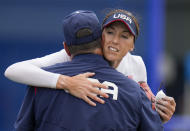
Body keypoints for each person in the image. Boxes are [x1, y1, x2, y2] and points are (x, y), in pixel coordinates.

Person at [4, 9, 175, 122]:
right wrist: (66, 82)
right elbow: (13, 71)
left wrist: (160, 115)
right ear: (100, 37)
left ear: (132, 45)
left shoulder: (136, 64)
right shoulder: (72, 55)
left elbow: (142, 113)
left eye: (124, 36)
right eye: (109, 32)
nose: (115, 40)